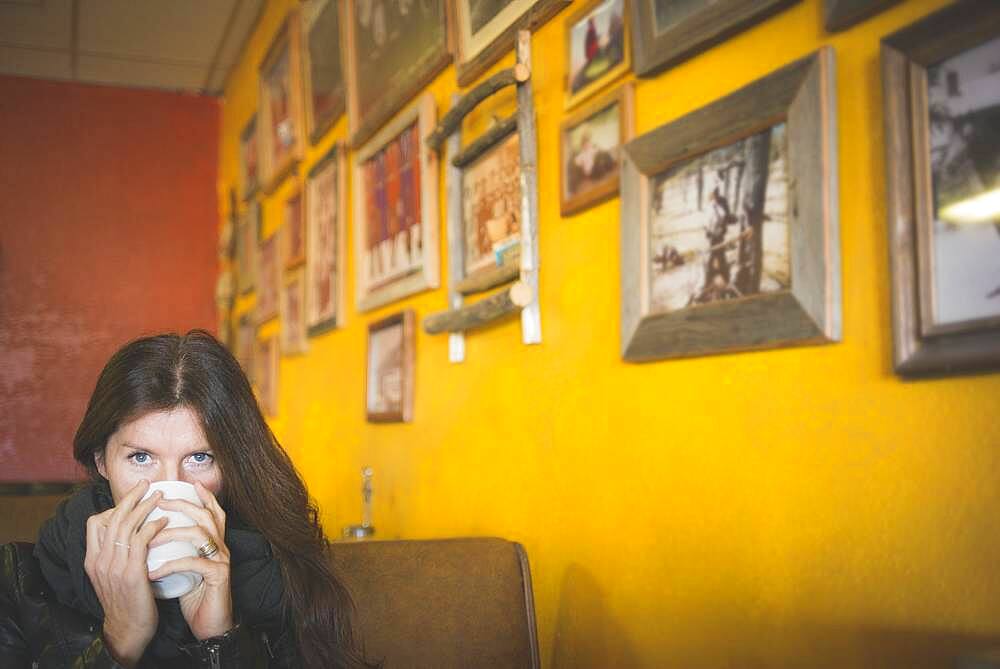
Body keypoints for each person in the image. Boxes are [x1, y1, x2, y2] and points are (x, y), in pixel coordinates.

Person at [0, 330, 376, 668]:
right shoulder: (23, 583)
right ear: (102, 461)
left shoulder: (282, 572)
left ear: (231, 466)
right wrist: (121, 639)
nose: (167, 487)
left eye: (199, 458)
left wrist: (218, 638)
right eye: (140, 457)